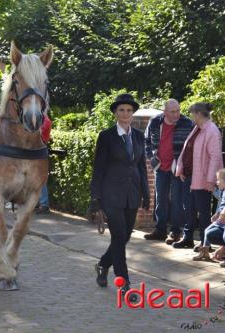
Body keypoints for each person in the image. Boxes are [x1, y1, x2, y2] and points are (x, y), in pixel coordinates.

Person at [89, 94, 150, 300]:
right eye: (121, 110)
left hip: (132, 195)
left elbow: (141, 167)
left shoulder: (139, 136)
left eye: (129, 110)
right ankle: (124, 284)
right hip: (111, 195)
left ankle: (102, 265)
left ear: (133, 113)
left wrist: (147, 194)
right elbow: (99, 168)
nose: (126, 113)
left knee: (124, 238)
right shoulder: (106, 136)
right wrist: (95, 198)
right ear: (115, 113)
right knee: (117, 237)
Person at [173, 103, 224, 250]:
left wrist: (210, 180)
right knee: (188, 209)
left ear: (198, 114)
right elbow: (187, 149)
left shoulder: (211, 130)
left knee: (203, 212)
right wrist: (181, 168)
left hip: (202, 179)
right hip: (189, 176)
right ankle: (188, 238)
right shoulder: (197, 128)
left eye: (192, 114)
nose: (190, 117)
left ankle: (205, 243)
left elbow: (215, 157)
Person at [143, 99, 194, 243]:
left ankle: (175, 232)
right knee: (161, 200)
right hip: (160, 168)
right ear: (165, 112)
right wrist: (152, 157)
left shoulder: (187, 123)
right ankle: (160, 230)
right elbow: (146, 140)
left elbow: (191, 146)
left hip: (177, 168)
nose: (177, 113)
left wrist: (184, 164)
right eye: (173, 111)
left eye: (178, 110)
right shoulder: (154, 122)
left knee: (177, 201)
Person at [194, 168, 225, 266]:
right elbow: (222, 204)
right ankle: (205, 252)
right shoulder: (224, 191)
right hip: (221, 218)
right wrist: (217, 214)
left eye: (218, 180)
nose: (217, 182)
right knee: (207, 230)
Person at [37, 114, 52, 214]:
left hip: (40, 150)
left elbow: (37, 133)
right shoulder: (39, 119)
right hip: (35, 150)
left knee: (41, 178)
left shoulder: (45, 121)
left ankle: (44, 204)